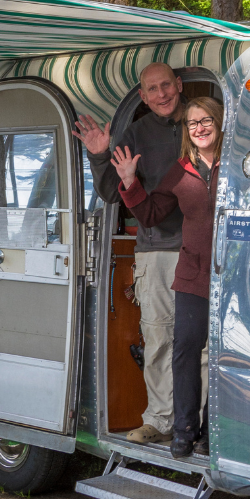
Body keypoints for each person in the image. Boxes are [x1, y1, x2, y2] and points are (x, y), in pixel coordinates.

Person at [72, 62, 185, 445]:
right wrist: (100, 156)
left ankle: (196, 424)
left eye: (166, 85)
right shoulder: (136, 133)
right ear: (142, 96)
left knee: (199, 341)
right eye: (152, 89)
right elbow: (111, 193)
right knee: (158, 338)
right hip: (157, 252)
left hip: (205, 248)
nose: (161, 95)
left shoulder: (203, 121)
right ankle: (159, 420)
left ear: (179, 85)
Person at [110, 97, 223, 459]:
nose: (200, 128)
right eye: (192, 123)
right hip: (192, 274)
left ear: (219, 124)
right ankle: (184, 430)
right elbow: (152, 213)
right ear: (187, 131)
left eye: (206, 121)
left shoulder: (237, 167)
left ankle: (210, 431)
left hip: (232, 276)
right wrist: (129, 182)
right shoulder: (182, 169)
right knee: (186, 350)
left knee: (222, 355)